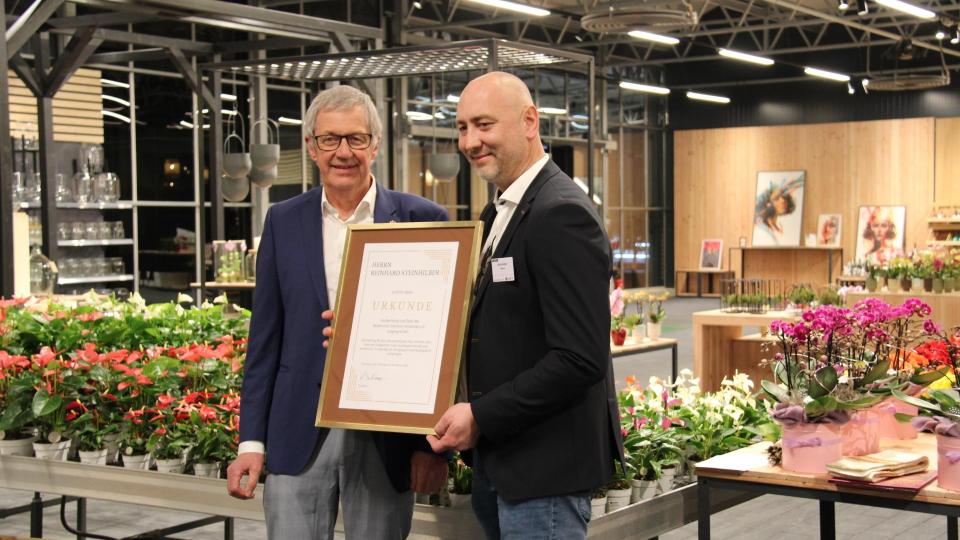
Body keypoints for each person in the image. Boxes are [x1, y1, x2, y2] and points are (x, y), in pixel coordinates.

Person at [226, 85, 449, 539]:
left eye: (356, 138)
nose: (343, 152)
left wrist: (434, 449)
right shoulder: (283, 221)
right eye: (330, 139)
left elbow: (444, 346)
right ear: (312, 146)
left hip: (388, 439)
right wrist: (251, 441)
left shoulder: (422, 218)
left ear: (376, 144)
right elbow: (264, 341)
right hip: (298, 430)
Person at [426, 71, 623, 539]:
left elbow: (580, 358)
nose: (470, 141)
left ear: (530, 121)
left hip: (544, 473)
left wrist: (481, 415)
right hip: (504, 461)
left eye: (484, 125)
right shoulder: (498, 212)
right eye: (462, 128)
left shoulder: (560, 213)